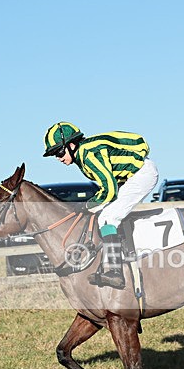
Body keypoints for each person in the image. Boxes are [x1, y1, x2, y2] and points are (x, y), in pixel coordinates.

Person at [42, 121, 158, 289]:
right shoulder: (83, 155)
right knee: (105, 212)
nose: (58, 158)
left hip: (141, 174)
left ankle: (116, 272)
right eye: (54, 154)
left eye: (59, 151)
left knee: (108, 217)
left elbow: (109, 190)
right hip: (134, 175)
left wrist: (88, 205)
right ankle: (122, 255)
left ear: (72, 144)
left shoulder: (88, 154)